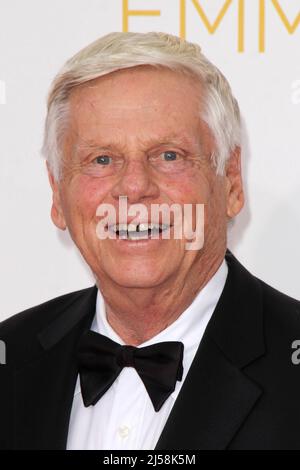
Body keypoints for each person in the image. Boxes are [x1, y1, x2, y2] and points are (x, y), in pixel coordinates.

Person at [0, 32, 299, 450]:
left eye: (169, 155)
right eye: (101, 160)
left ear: (230, 181)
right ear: (57, 193)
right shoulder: (10, 355)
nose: (134, 188)